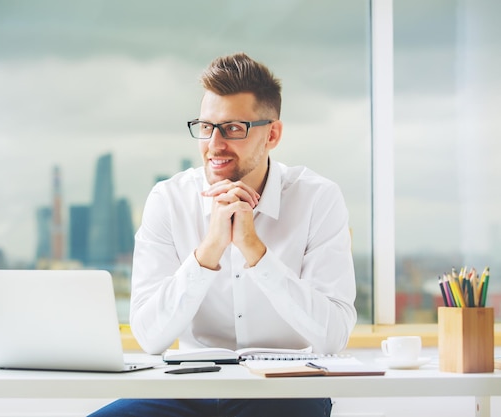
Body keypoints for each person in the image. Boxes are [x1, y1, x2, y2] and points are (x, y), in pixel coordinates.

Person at [89, 52, 356, 417]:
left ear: (272, 134)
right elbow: (150, 337)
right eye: (206, 126)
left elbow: (332, 336)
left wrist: (254, 251)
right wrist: (209, 251)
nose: (214, 144)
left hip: (283, 391)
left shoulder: (317, 198)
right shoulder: (169, 200)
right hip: (187, 387)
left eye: (233, 128)